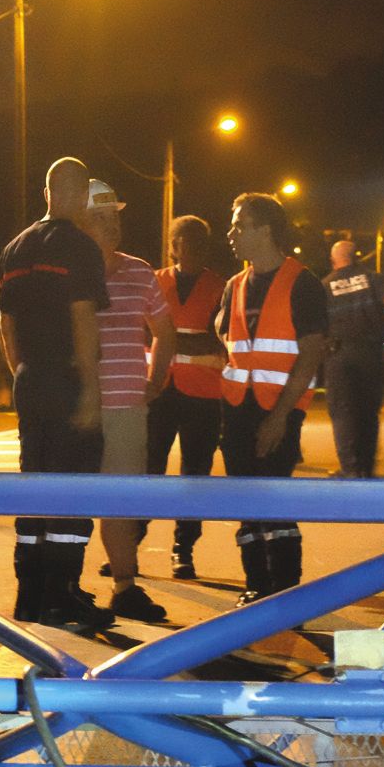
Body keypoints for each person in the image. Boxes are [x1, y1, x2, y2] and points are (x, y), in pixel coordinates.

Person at [0, 156, 111, 632]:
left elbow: (5, 325)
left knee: (34, 484)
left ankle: (31, 595)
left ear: (47, 192)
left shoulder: (15, 249)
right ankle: (62, 598)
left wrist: (22, 373)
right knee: (72, 487)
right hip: (66, 381)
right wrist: (89, 390)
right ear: (79, 194)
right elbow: (83, 318)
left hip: (29, 379)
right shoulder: (80, 248)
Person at [217, 193, 328, 605]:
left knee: (276, 503)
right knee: (245, 504)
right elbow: (226, 339)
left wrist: (280, 417)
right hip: (236, 411)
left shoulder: (304, 283)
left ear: (266, 230)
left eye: (239, 225)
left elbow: (311, 353)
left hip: (277, 410)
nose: (231, 234)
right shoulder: (234, 285)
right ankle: (256, 586)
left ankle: (285, 594)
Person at [74, 179, 174, 622]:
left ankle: (125, 587)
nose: (112, 224)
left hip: (127, 407)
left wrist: (156, 380)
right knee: (73, 502)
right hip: (77, 407)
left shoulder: (139, 271)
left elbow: (165, 330)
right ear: (80, 222)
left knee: (122, 501)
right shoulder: (68, 273)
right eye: (100, 217)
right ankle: (67, 588)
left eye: (114, 214)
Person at [143, 214, 226, 578]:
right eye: (185, 241)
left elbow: (221, 338)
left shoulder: (221, 287)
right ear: (173, 245)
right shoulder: (154, 282)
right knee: (147, 470)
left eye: (199, 242)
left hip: (204, 393)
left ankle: (183, 548)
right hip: (158, 388)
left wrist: (170, 336)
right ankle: (129, 544)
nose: (192, 248)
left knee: (195, 475)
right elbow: (142, 334)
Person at [322, 238, 384, 477]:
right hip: (370, 353)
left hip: (339, 354)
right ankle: (367, 469)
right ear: (355, 257)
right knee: (368, 411)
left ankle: (351, 469)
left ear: (333, 260)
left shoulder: (325, 285)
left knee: (342, 411)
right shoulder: (373, 278)